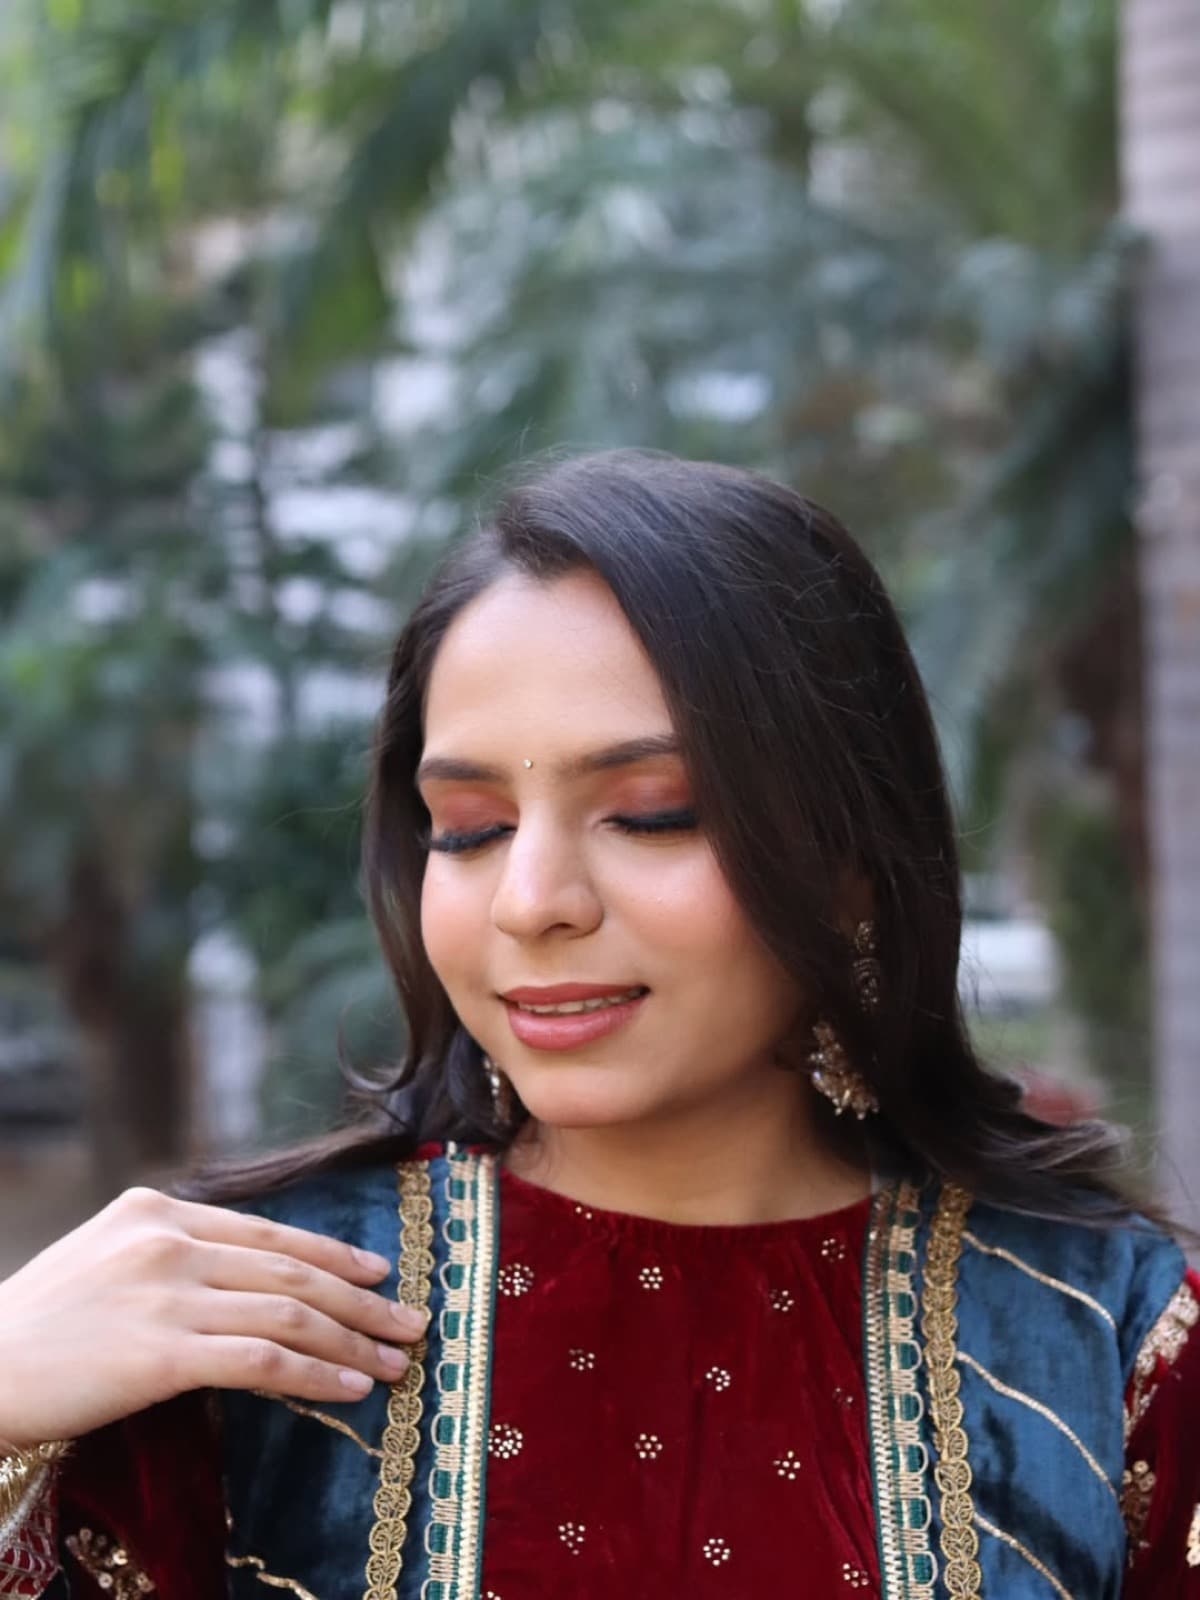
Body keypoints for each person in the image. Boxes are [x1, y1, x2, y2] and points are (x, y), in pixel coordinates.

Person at [1, 450, 1197, 1599]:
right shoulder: (251, 1316)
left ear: (850, 864)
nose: (533, 902)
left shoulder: (1111, 1340)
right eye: (468, 828)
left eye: (652, 813)